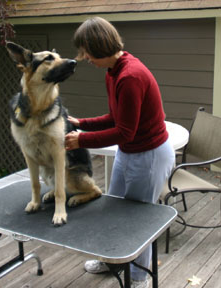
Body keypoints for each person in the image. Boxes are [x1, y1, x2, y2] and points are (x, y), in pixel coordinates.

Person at [65, 17, 175, 288]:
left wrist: (82, 141)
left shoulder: (130, 76)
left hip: (149, 155)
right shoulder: (113, 72)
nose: (85, 58)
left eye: (87, 52)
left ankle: (138, 278)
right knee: (113, 209)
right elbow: (117, 117)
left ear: (100, 47)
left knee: (137, 220)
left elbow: (125, 131)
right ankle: (111, 259)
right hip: (129, 152)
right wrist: (83, 124)